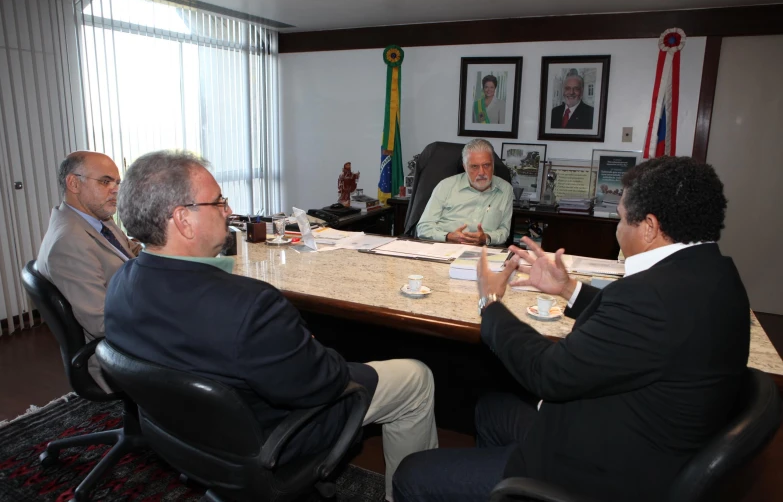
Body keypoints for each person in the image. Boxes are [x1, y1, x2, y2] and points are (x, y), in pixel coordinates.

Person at [394, 156, 750, 502]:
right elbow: (635, 328)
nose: (616, 227)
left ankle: (519, 483)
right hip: (637, 430)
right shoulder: (716, 276)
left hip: (604, 471)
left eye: (621, 218)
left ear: (650, 227)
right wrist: (569, 289)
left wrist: (491, 302)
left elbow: (549, 373)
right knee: (491, 409)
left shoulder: (649, 296)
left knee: (411, 474)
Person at [105, 151, 437, 501]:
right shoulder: (251, 307)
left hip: (183, 438)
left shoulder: (119, 286)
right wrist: (311, 346)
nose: (229, 211)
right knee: (416, 377)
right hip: (270, 439)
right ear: (183, 220)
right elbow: (325, 382)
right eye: (218, 202)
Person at [37, 151, 141, 392]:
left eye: (117, 183)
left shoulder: (96, 219)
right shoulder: (69, 242)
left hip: (130, 312)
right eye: (105, 182)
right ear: (74, 183)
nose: (115, 190)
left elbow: (126, 249)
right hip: (113, 356)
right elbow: (101, 323)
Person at [416, 139, 513, 246]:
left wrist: (486, 238)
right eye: (474, 166)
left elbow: (504, 231)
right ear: (465, 167)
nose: (481, 172)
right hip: (445, 247)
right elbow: (423, 228)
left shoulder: (505, 189)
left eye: (486, 165)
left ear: (493, 165)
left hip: (483, 251)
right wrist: (448, 237)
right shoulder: (445, 186)